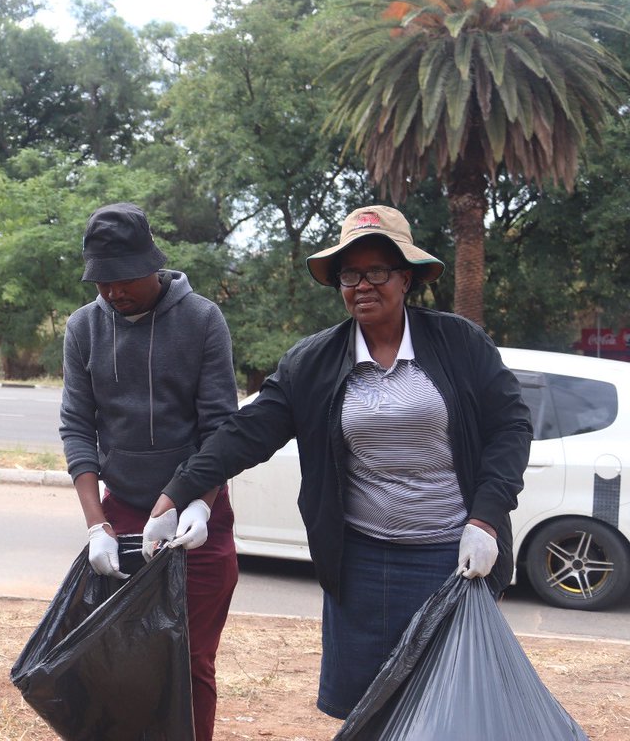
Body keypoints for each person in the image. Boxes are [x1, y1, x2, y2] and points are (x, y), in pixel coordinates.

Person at [149, 205, 532, 719]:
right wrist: (177, 493)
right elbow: (248, 430)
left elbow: (512, 425)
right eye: (351, 274)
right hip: (361, 564)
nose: (363, 285)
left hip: (451, 559)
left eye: (378, 271)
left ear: (407, 278)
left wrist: (486, 517)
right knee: (366, 709)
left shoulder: (460, 344)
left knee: (447, 711)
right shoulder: (314, 361)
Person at [59, 202, 240, 741]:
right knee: (121, 661)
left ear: (152, 263)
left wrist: (201, 502)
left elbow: (221, 429)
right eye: (101, 281)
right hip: (121, 516)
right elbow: (76, 427)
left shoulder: (202, 319)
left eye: (122, 279)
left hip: (195, 519)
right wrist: (97, 526)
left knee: (190, 659)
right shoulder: (84, 328)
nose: (112, 292)